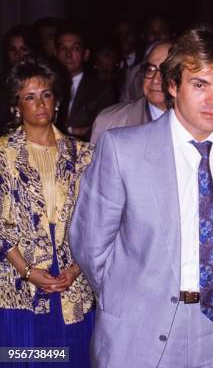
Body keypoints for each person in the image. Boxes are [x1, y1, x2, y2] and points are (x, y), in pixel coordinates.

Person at [70, 25, 213, 367]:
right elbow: (89, 245)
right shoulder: (123, 149)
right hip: (141, 330)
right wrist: (130, 298)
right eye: (199, 85)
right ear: (172, 85)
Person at [0, 57, 95, 366]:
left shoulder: (83, 154)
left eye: (46, 94)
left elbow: (94, 222)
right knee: (25, 357)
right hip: (18, 284)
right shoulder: (3, 153)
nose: (39, 103)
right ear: (16, 105)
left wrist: (77, 268)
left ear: (56, 100)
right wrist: (27, 271)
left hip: (72, 283)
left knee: (71, 358)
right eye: (29, 96)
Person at [90, 40, 172, 144]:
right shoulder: (110, 123)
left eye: (166, 71)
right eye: (150, 69)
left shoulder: (196, 123)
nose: (156, 80)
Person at [54, 25, 116, 139]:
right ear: (56, 53)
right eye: (63, 48)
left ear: (86, 54)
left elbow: (99, 130)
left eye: (75, 48)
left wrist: (67, 130)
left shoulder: (101, 89)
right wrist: (74, 130)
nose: (68, 54)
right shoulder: (47, 86)